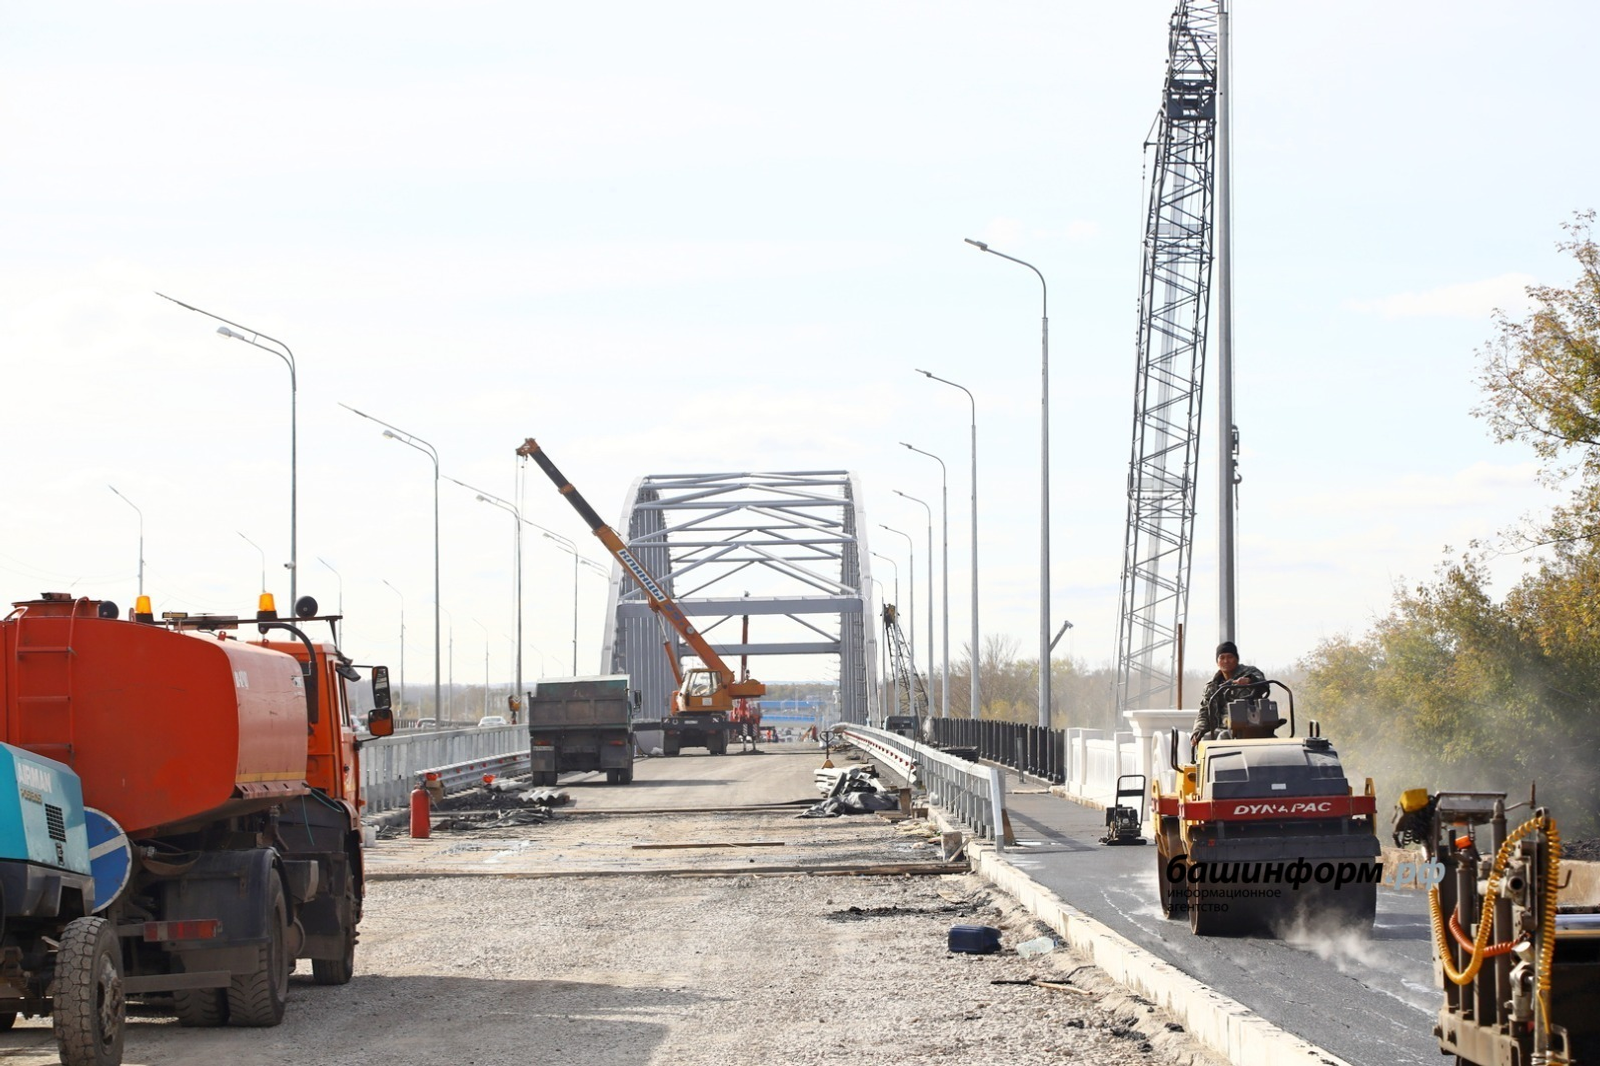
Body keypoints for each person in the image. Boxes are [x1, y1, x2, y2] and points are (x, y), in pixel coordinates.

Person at [1190, 641, 1267, 750]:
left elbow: (1263, 684)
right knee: (1205, 740)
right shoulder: (1212, 685)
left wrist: (1250, 680)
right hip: (1221, 727)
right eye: (1222, 657)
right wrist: (1198, 730)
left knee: (1223, 738)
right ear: (1217, 662)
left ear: (1236, 659)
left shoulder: (1250, 673)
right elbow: (1204, 711)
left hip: (1247, 726)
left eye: (1230, 657)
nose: (1226, 661)